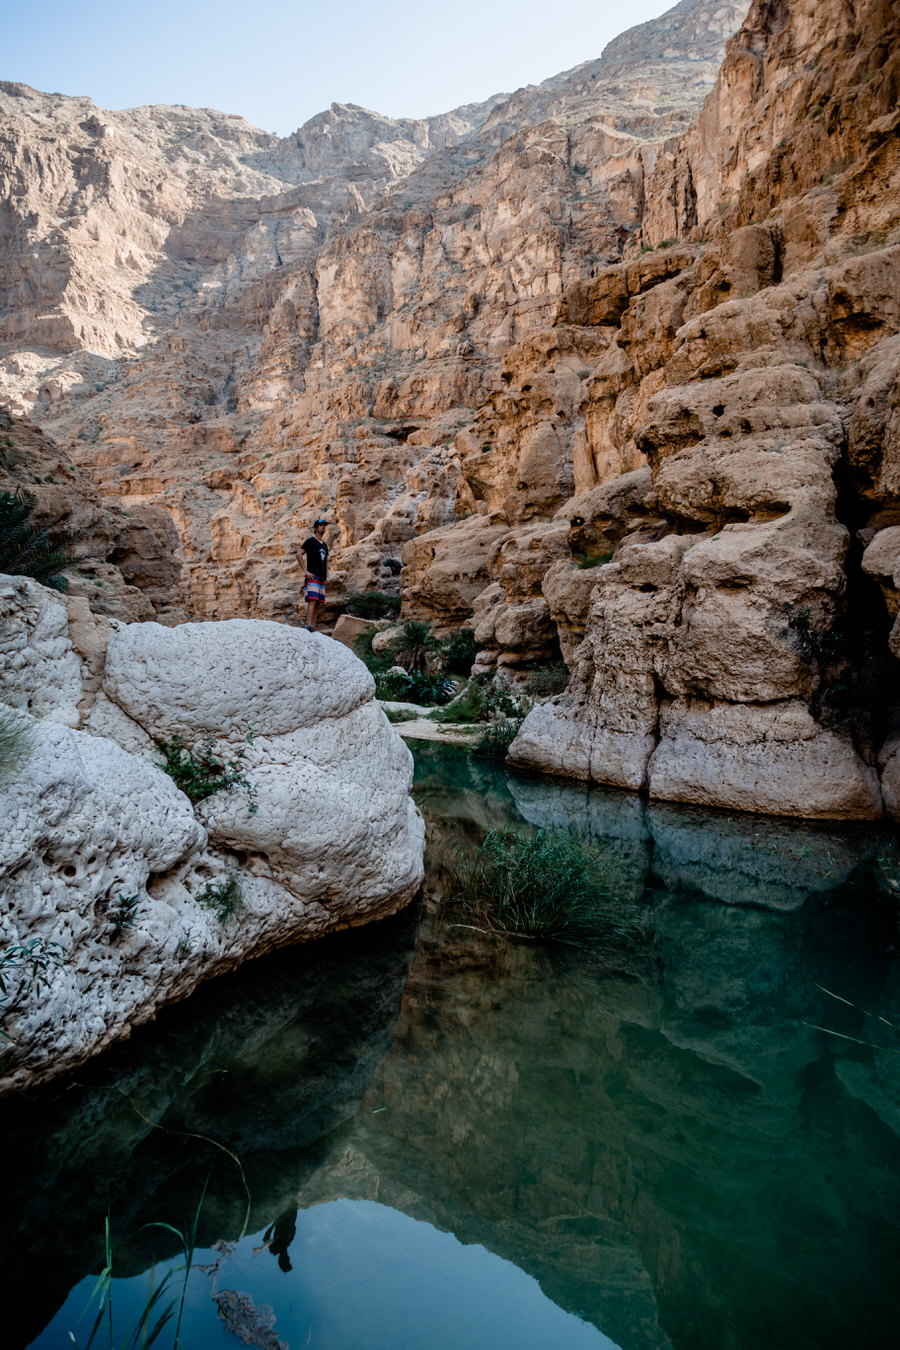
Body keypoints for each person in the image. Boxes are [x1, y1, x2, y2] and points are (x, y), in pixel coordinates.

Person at [297, 518, 329, 631]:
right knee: (313, 600)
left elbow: (326, 561)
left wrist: (327, 576)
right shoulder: (310, 541)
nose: (323, 527)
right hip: (313, 575)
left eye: (324, 525)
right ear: (315, 528)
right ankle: (309, 625)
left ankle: (313, 627)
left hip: (321, 577)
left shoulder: (324, 545)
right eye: (321, 525)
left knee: (319, 602)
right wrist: (305, 571)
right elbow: (299, 554)